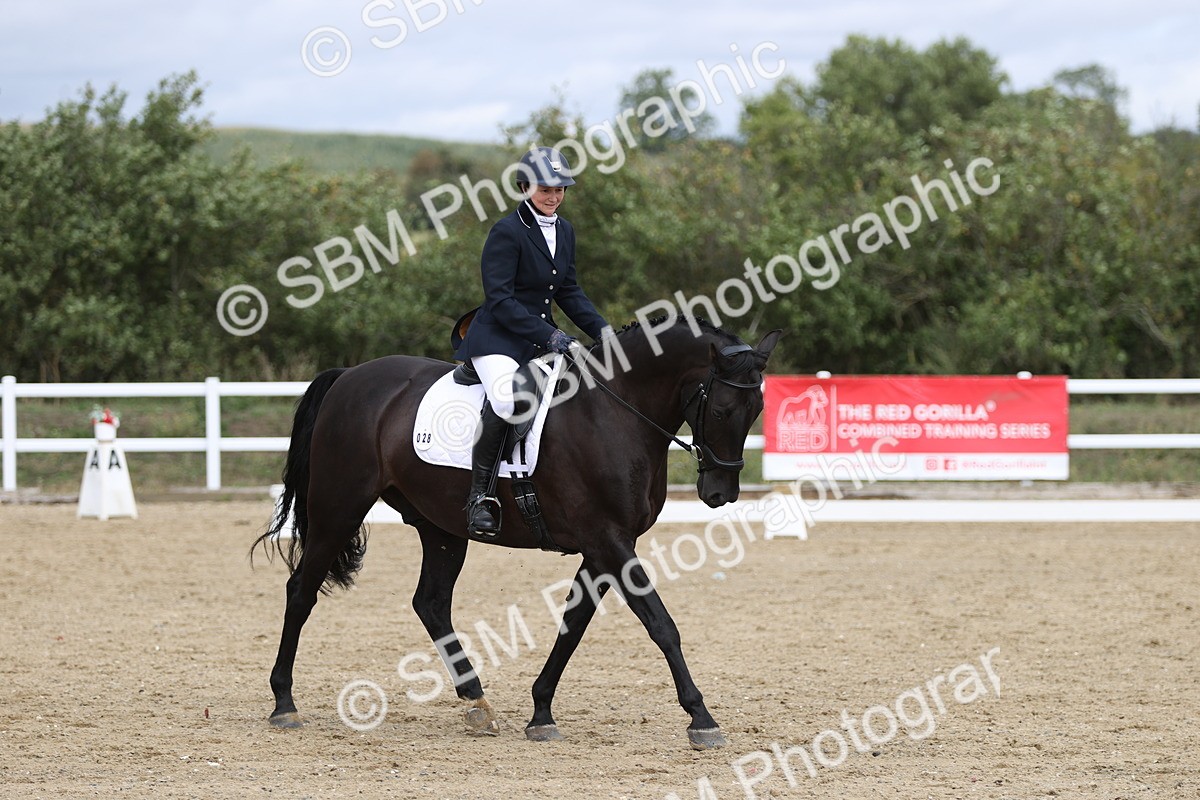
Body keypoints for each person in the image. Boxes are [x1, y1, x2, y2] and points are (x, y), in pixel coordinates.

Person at [453, 146, 610, 537]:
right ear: (525, 186)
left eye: (561, 189)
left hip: (539, 341)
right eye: (545, 189)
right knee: (507, 400)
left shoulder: (565, 230)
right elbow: (500, 300)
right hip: (498, 340)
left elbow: (569, 291)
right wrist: (553, 336)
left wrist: (605, 332)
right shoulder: (507, 232)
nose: (554, 196)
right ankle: (480, 498)